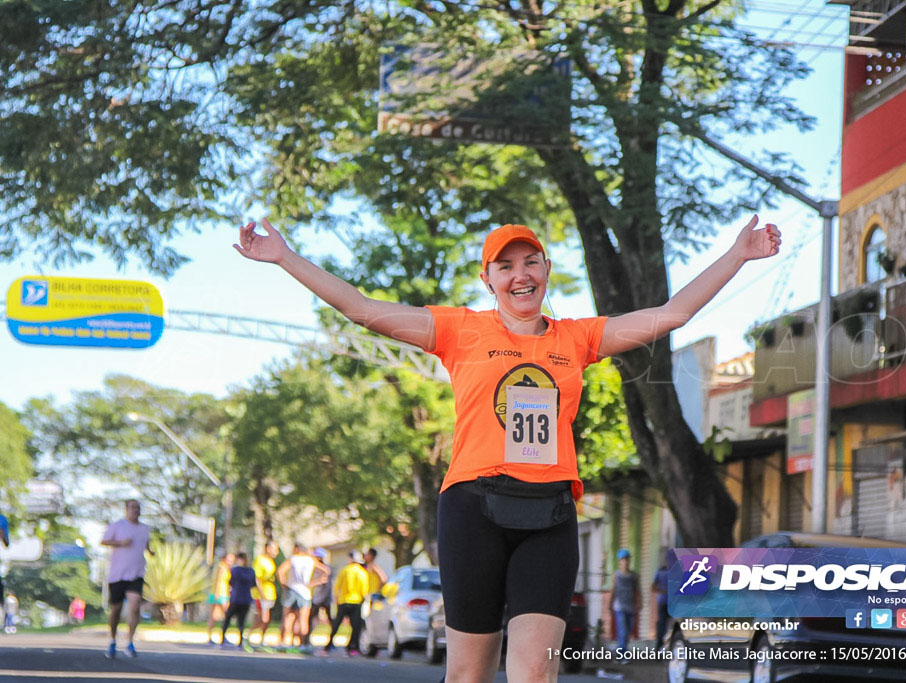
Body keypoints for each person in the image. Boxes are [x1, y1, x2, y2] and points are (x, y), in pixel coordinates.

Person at [234, 214, 780, 681]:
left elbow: (672, 314)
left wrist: (738, 254)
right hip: (474, 508)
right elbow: (360, 308)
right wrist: (285, 257)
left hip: (550, 513)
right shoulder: (460, 331)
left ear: (545, 271)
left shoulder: (577, 338)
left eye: (530, 262)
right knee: (468, 671)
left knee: (535, 671)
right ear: (488, 278)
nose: (521, 275)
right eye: (506, 266)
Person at [100, 499, 152, 658]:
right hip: (117, 575)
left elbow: (146, 545)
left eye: (138, 507)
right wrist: (120, 542)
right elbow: (103, 541)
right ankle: (113, 640)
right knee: (115, 610)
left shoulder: (145, 529)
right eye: (133, 507)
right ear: (126, 510)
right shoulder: (117, 526)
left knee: (135, 604)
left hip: (136, 574)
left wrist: (151, 552)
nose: (136, 510)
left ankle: (130, 642)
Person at [276, 544, 322, 650]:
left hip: (292, 589)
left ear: (297, 549)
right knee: (303, 620)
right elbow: (325, 571)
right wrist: (315, 582)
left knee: (288, 618)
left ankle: (283, 643)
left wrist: (284, 585)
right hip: (305, 592)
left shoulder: (293, 559)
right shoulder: (311, 560)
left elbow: (280, 571)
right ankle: (303, 644)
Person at [325, 550, 369, 656]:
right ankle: (352, 647)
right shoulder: (362, 572)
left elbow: (336, 587)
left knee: (336, 624)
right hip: (356, 602)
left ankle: (328, 645)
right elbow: (364, 590)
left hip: (343, 601)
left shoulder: (345, 570)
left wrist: (336, 599)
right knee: (355, 626)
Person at [221, 552, 261, 648]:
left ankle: (223, 638)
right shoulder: (251, 571)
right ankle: (240, 640)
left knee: (228, 619)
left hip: (236, 598)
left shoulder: (235, 570)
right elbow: (253, 584)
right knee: (241, 621)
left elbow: (231, 582)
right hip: (246, 598)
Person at [611, 549, 639, 659]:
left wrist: (639, 603)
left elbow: (637, 590)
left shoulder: (634, 576)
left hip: (630, 606)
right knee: (622, 631)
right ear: (620, 561)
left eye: (627, 559)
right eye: (623, 560)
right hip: (619, 606)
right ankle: (622, 655)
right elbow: (613, 590)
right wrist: (610, 603)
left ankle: (621, 650)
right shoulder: (617, 575)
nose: (625, 562)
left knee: (628, 631)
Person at [250, 541, 279, 646]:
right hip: (261, 593)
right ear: (268, 548)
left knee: (266, 619)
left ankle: (261, 639)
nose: (276, 552)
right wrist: (261, 593)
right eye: (274, 549)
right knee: (263, 617)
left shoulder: (271, 561)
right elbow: (257, 578)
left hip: (270, 593)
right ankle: (248, 635)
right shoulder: (260, 560)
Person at [206, 551, 236, 644]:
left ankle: (211, 636)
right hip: (221, 594)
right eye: (229, 559)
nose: (230, 562)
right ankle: (223, 636)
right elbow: (219, 580)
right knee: (226, 615)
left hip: (218, 593)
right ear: (224, 559)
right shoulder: (222, 567)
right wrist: (217, 593)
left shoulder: (223, 567)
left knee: (214, 616)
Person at [306, 548, 333, 646]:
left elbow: (325, 581)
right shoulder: (313, 568)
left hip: (324, 598)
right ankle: (306, 639)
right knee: (311, 619)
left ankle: (331, 641)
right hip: (316, 597)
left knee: (330, 620)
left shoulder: (324, 568)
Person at [651, 553, 671, 649]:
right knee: (662, 625)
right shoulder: (660, 572)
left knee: (669, 626)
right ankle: (659, 647)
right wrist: (664, 591)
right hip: (663, 602)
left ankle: (665, 646)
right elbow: (653, 587)